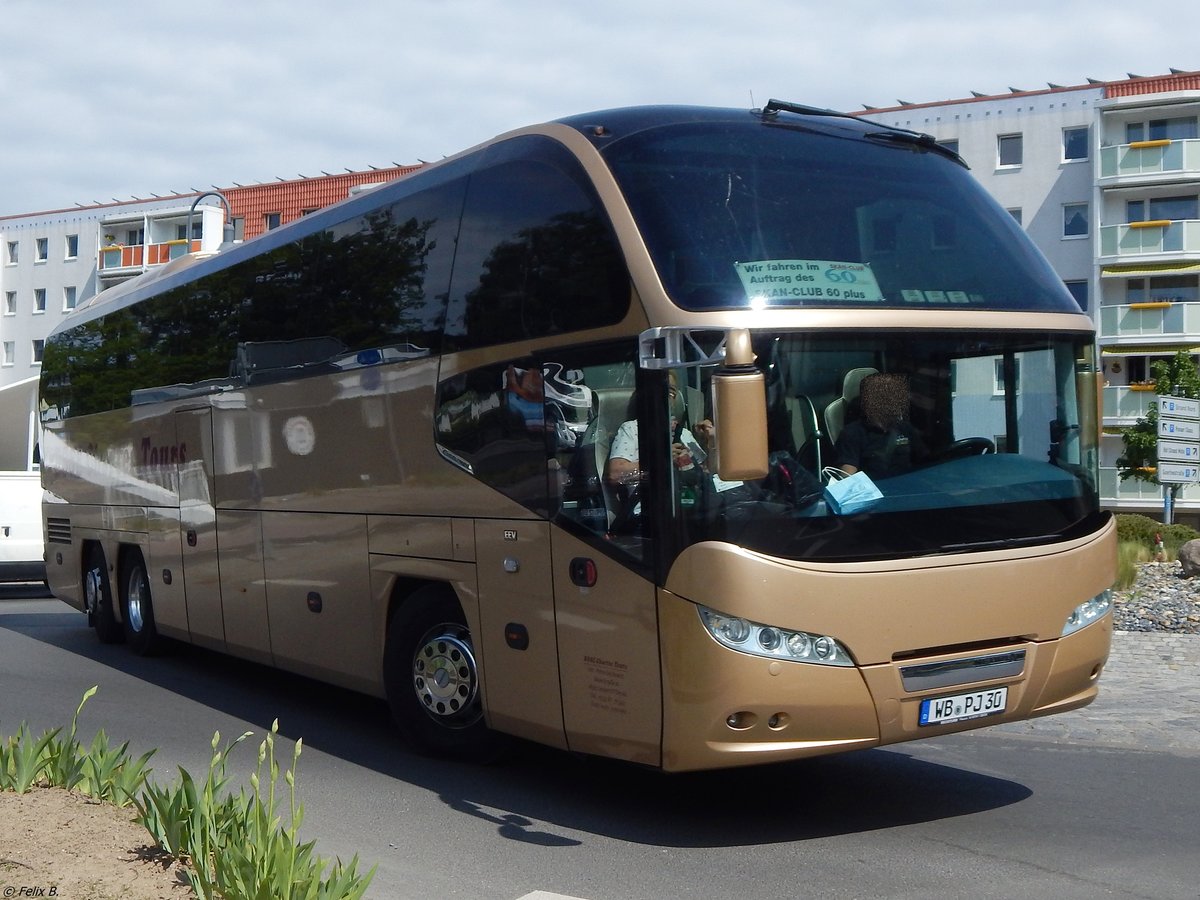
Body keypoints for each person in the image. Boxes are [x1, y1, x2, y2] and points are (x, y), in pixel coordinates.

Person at [604, 372, 713, 488]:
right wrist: (661, 461)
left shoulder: (684, 434)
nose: (665, 395)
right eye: (659, 389)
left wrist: (711, 441)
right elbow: (615, 474)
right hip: (651, 502)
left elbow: (708, 472)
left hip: (689, 500)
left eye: (671, 391)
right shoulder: (632, 428)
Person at [834, 372, 926, 479]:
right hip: (875, 491)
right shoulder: (852, 433)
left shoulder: (904, 427)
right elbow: (847, 478)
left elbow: (925, 459)